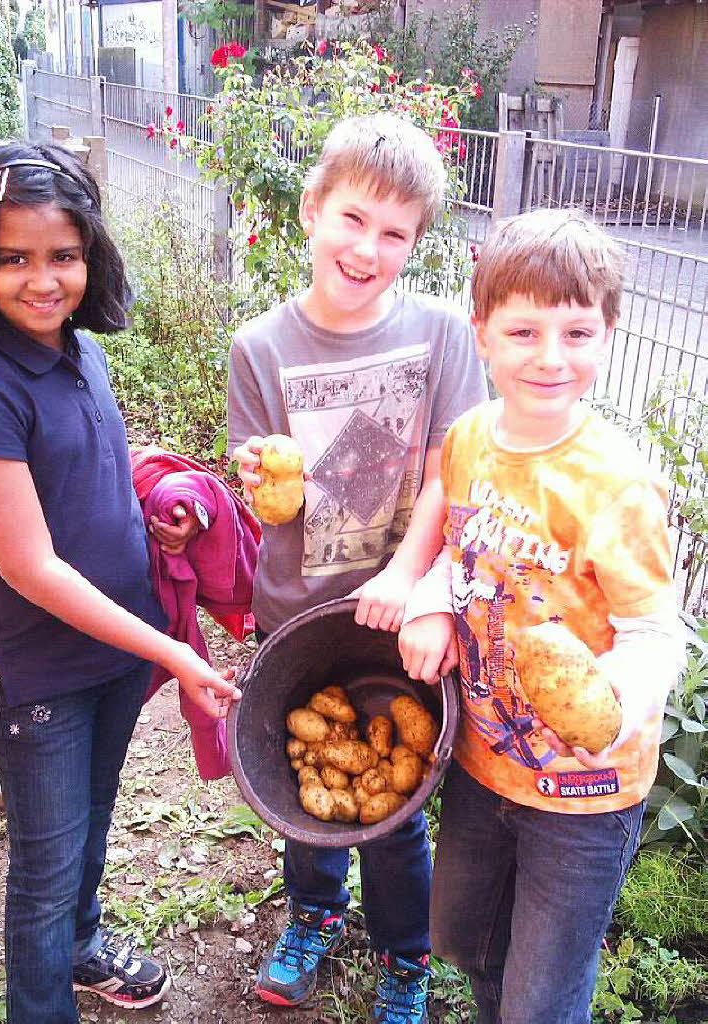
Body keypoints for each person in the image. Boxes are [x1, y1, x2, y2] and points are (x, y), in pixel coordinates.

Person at [0, 143, 241, 1024]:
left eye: (62, 255)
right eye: (13, 259)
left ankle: (81, 947)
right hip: (43, 680)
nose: (43, 280)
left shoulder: (83, 353)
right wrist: (174, 649)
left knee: (93, 826)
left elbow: (89, 488)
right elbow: (29, 565)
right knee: (44, 866)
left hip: (112, 655)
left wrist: (159, 522)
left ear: (91, 255)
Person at [225, 112, 488, 1024]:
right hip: (297, 610)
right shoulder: (260, 347)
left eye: (394, 233)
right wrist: (263, 480)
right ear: (310, 210)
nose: (367, 248)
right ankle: (311, 913)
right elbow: (279, 506)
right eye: (352, 219)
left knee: (397, 805)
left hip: (402, 610)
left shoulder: (442, 335)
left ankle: (406, 954)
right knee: (303, 790)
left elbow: (452, 478)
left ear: (415, 244)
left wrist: (416, 587)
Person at [397, 208, 685, 1024]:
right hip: (485, 764)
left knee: (542, 999)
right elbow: (461, 550)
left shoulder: (616, 484)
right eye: (524, 331)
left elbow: (658, 636)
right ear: (481, 333)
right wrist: (428, 605)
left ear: (608, 334)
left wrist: (608, 710)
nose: (550, 358)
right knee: (465, 941)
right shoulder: (468, 440)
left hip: (584, 793)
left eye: (576, 332)